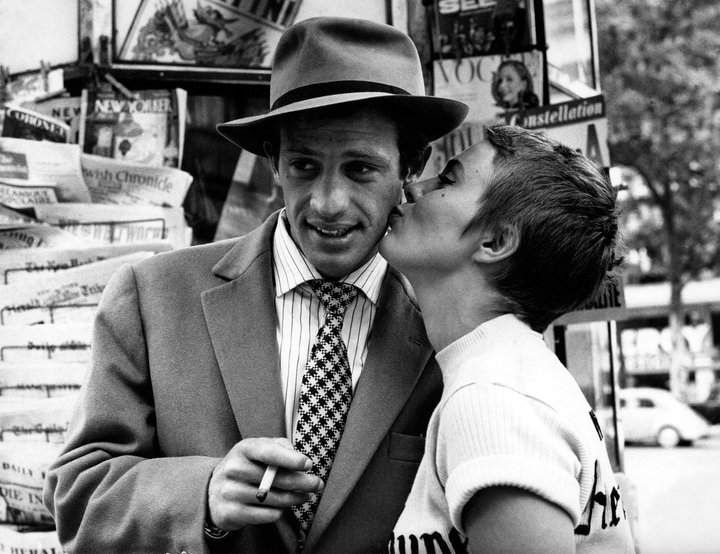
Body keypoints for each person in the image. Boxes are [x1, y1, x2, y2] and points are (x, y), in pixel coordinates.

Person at [43, 17, 467, 554]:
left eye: (360, 169)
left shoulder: (452, 326)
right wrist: (202, 495)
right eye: (305, 165)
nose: (328, 202)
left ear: (412, 166)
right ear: (273, 163)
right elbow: (78, 499)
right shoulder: (151, 298)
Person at [380, 125, 635, 553]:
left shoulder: (491, 397)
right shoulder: (510, 372)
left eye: (447, 180)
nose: (413, 186)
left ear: (495, 241)